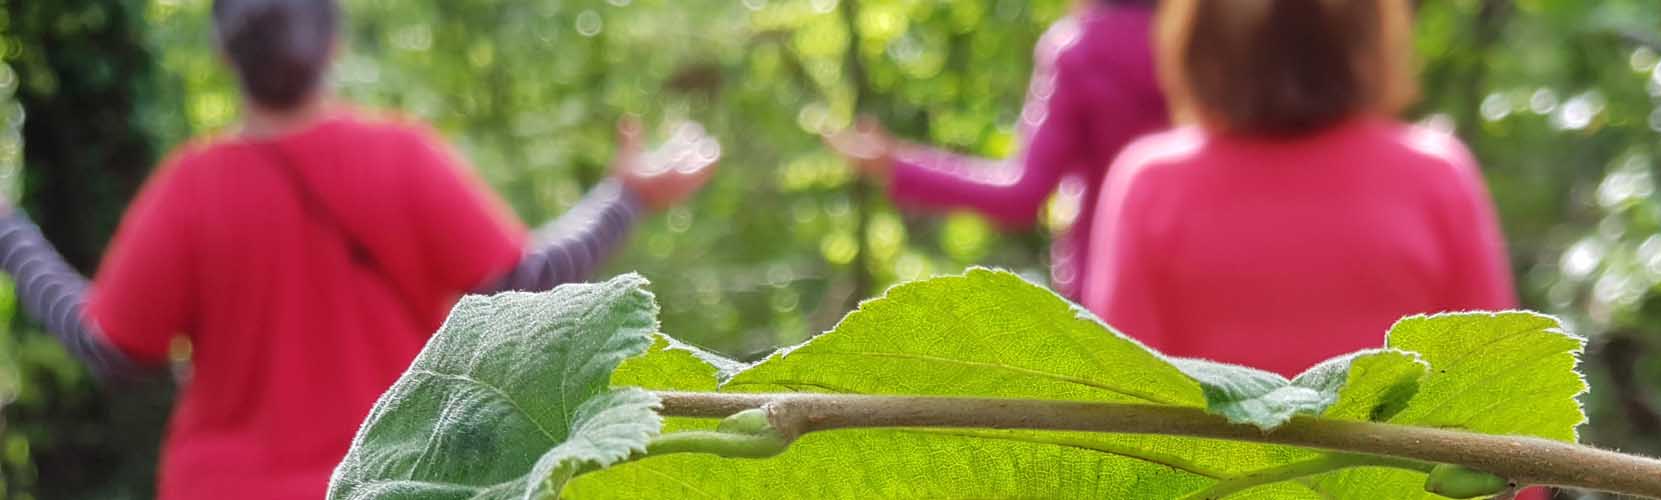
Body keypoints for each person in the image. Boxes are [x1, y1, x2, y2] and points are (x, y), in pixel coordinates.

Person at [0, 0, 717, 498]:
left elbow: (115, 351)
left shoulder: (191, 187)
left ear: (225, 53)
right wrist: (625, 197)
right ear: (333, 44)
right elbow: (525, 279)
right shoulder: (401, 158)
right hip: (391, 484)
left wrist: (11, 232)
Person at [1086, 0, 1515, 377]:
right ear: (1374, 29)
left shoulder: (1152, 186)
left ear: (1200, 33)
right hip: (1409, 470)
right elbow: (1507, 388)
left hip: (1215, 472)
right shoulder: (1436, 175)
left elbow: (1120, 395)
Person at [825, 0, 1164, 300]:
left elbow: (1021, 193)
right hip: (1209, 287)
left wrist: (897, 166)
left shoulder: (1081, 50)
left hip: (1116, 303)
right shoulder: (1204, 42)